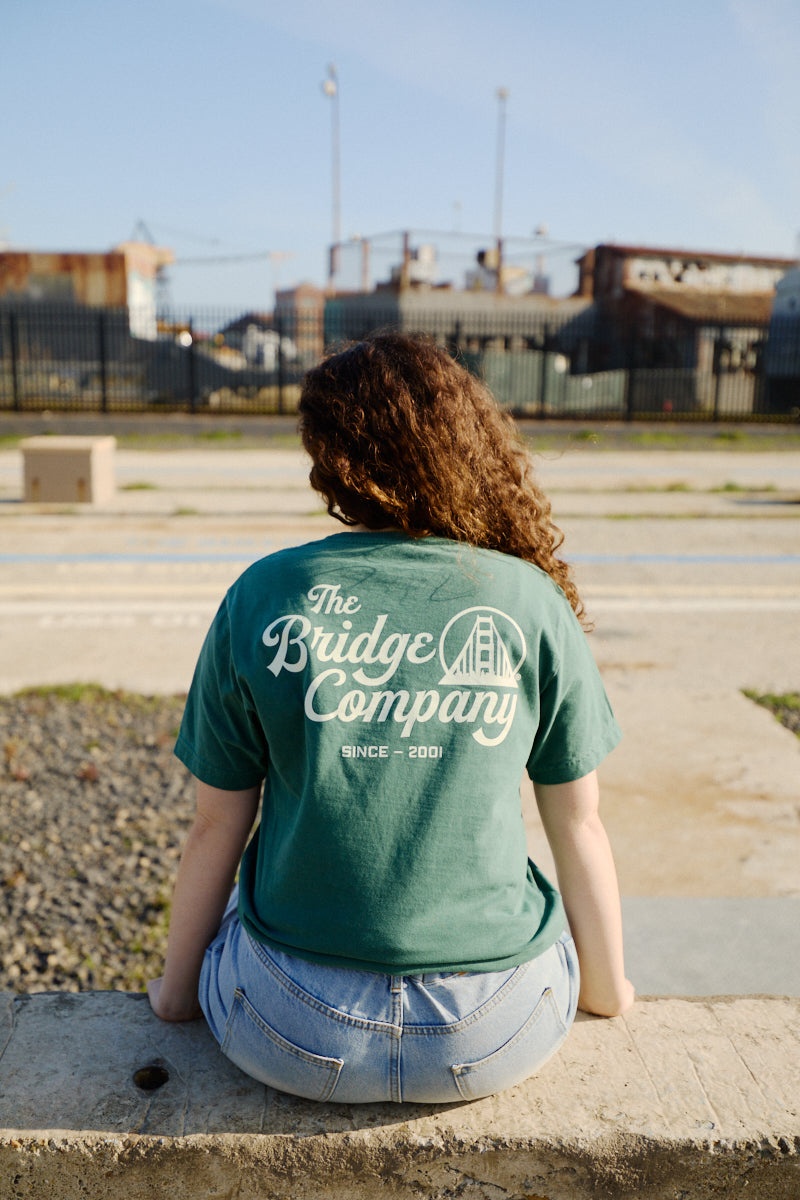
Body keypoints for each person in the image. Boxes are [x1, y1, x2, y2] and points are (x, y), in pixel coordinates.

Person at [147, 332, 634, 1104]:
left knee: (250, 890)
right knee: (525, 889)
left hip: (291, 1029)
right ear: (468, 442)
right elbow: (580, 826)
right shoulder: (526, 600)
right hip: (493, 1030)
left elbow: (216, 825)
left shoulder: (263, 593)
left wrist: (176, 997)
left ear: (326, 459)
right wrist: (606, 988)